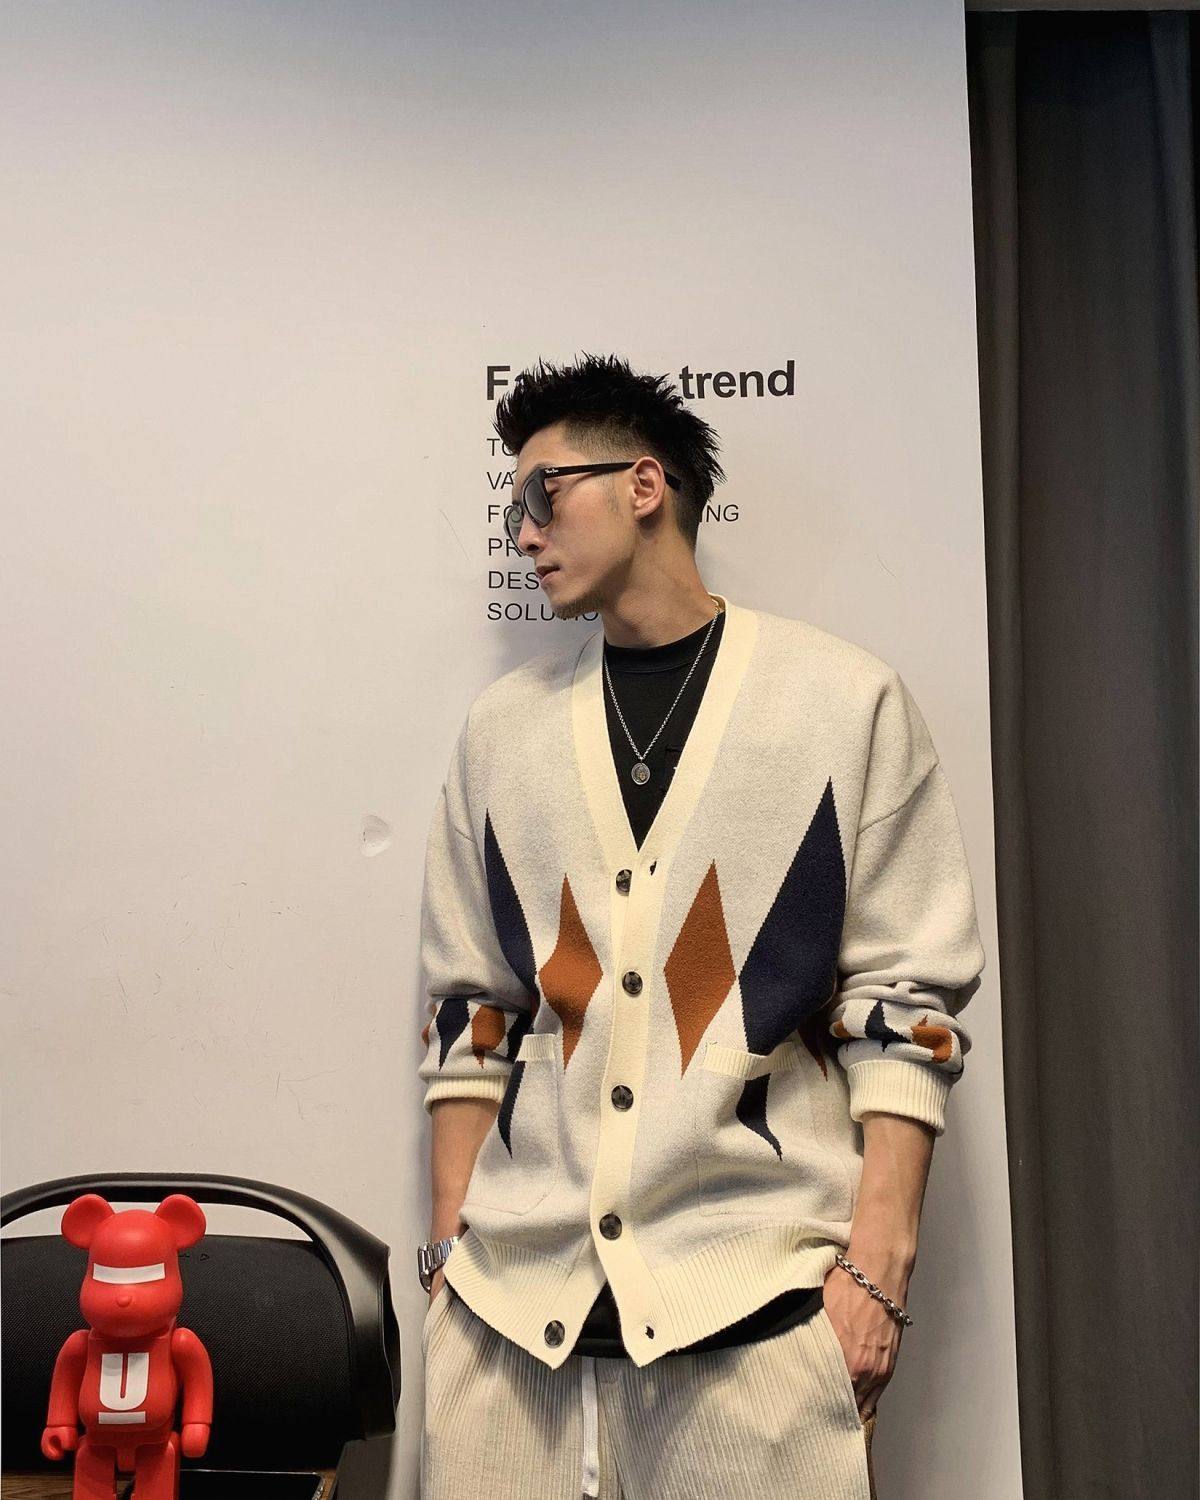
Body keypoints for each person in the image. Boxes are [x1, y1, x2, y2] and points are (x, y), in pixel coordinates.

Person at [416, 352, 986, 1499]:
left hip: (757, 1315)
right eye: (510, 507)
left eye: (543, 494)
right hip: (507, 1323)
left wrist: (876, 1277)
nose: (522, 532)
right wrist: (447, 1258)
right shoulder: (502, 735)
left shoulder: (841, 703)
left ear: (644, 485)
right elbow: (471, 1014)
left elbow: (905, 1008)